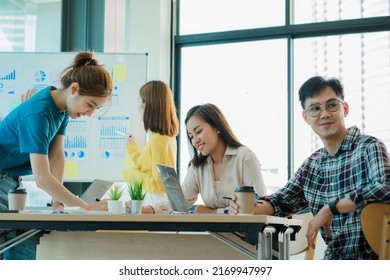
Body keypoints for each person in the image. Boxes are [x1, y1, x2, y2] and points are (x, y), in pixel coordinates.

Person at [229, 76, 390, 260]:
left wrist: (330, 208)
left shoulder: (369, 146)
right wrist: (246, 207)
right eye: (315, 108)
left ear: (344, 108)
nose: (324, 114)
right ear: (306, 117)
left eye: (331, 105)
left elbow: (386, 188)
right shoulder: (313, 165)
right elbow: (280, 201)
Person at [0, 51, 113, 259]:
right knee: (24, 246)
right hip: (2, 176)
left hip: (10, 178)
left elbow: (57, 155)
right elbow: (42, 179)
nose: (90, 114)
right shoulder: (39, 112)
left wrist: (58, 201)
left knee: (23, 246)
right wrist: (86, 207)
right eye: (90, 105)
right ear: (75, 89)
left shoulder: (60, 109)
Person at [139, 103, 267, 214]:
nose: (195, 141)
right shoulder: (197, 166)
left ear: (216, 127)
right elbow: (180, 201)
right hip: (212, 236)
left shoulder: (244, 157)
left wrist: (212, 212)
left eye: (198, 132)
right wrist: (148, 209)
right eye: (191, 136)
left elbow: (260, 204)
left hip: (244, 238)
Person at [122, 80, 179, 211]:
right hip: (154, 203)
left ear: (145, 105)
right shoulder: (159, 138)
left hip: (155, 205)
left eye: (139, 100)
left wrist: (131, 175)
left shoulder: (159, 140)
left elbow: (158, 184)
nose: (137, 105)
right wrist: (132, 148)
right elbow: (145, 167)